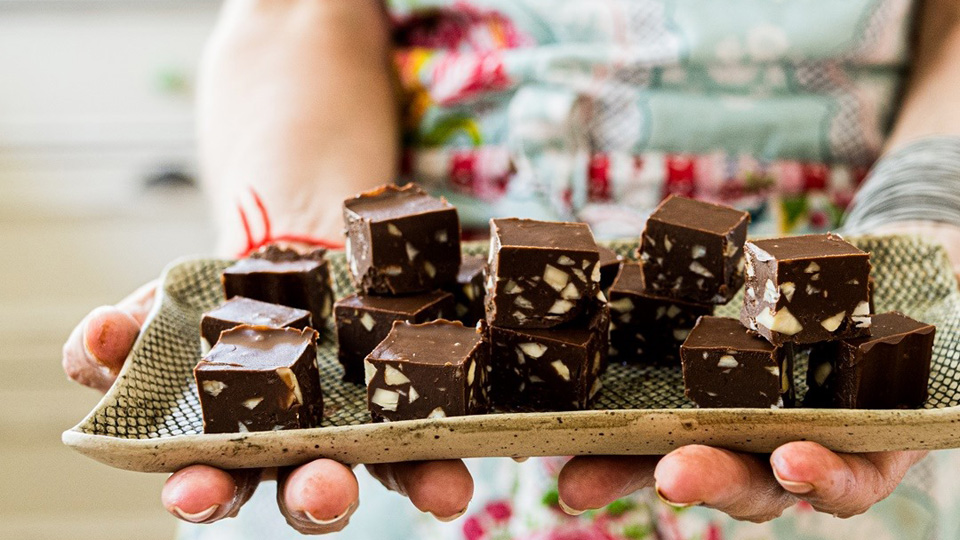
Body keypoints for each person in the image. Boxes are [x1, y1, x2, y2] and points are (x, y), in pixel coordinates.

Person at [62, 0, 960, 538]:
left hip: (830, 277)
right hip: (435, 309)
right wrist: (309, 268)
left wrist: (930, 216)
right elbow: (300, 15)